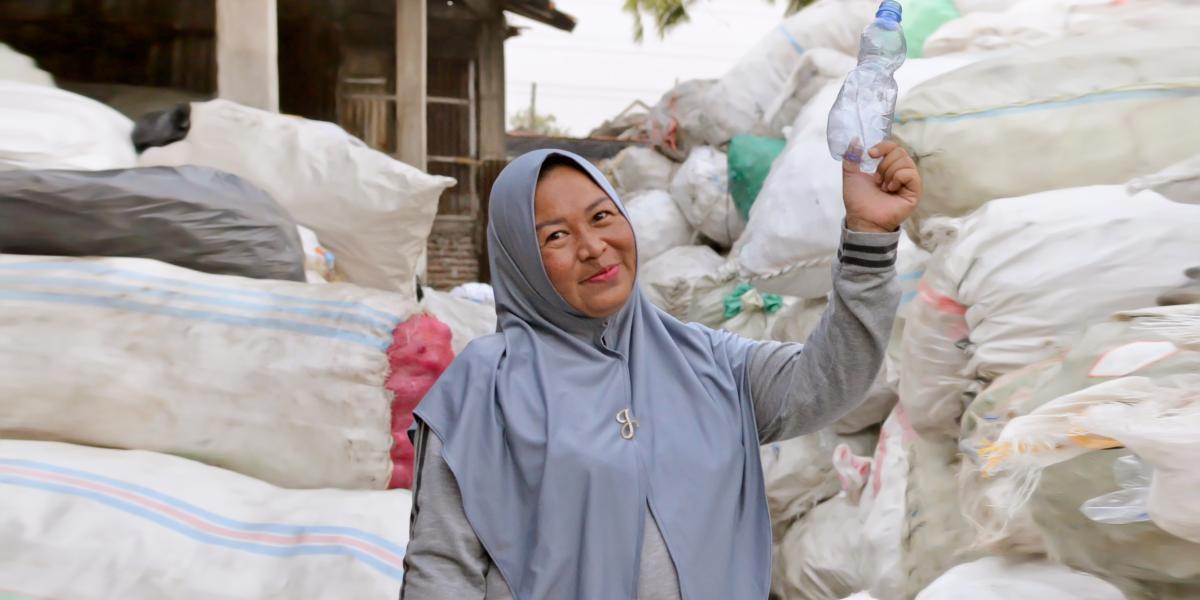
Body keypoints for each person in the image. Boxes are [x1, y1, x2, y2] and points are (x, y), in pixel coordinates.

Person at [401, 142, 922, 599]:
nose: (592, 247)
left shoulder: (707, 362)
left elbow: (829, 379)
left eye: (602, 216)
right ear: (519, 260)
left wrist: (868, 241)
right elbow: (442, 564)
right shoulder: (484, 386)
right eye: (555, 236)